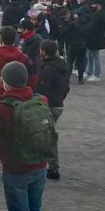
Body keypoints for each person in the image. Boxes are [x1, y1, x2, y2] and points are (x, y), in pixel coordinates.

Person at [0, 62, 49, 211]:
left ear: (6, 81)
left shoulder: (4, 108)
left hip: (15, 170)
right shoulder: (41, 100)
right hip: (39, 166)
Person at [35, 40, 69, 180]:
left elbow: (42, 91)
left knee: (46, 136)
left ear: (44, 51)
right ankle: (47, 164)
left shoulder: (47, 69)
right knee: (47, 134)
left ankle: (51, 167)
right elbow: (66, 87)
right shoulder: (63, 66)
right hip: (58, 103)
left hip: (49, 105)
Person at [84, 0, 105, 83]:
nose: (92, 6)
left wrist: (86, 30)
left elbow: (93, 27)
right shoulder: (100, 14)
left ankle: (96, 74)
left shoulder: (98, 15)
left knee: (95, 55)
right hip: (95, 38)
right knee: (91, 55)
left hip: (95, 38)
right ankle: (90, 72)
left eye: (94, 5)